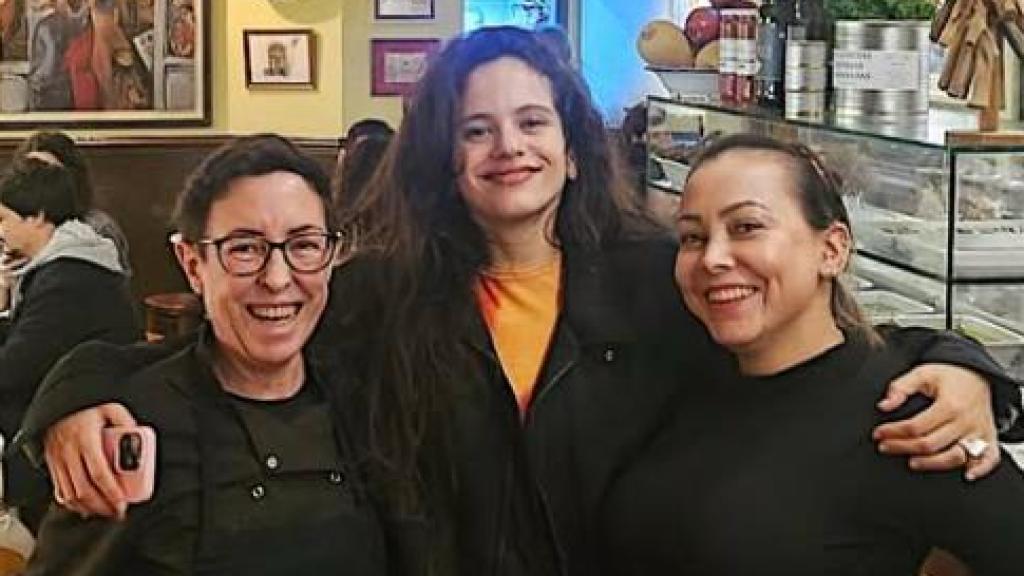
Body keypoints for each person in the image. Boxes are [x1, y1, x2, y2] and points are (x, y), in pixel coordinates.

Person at [19, 27, 1021, 576]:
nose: (507, 147)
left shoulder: (656, 277)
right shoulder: (378, 295)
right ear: (443, 161)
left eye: (531, 120)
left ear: (573, 141)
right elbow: (223, 353)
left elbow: (812, 338)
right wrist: (76, 382)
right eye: (474, 130)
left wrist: (967, 367)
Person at [597, 134, 1024, 575]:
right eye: (692, 237)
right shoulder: (687, 370)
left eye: (746, 227)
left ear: (832, 250)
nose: (713, 258)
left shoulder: (912, 421)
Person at [24, 135, 388, 575]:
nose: (277, 278)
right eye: (245, 248)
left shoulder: (367, 403)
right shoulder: (133, 425)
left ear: (331, 256)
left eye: (304, 245)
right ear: (193, 263)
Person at [0, 157, 138, 531]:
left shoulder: (69, 277)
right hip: (58, 402)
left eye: (4, 219)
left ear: (38, 216)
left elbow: (13, 371)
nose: (1, 232)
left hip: (79, 426)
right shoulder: (62, 264)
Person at [15, 131, 131, 275]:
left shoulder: (98, 228)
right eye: (31, 171)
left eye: (48, 172)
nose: (38, 180)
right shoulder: (11, 226)